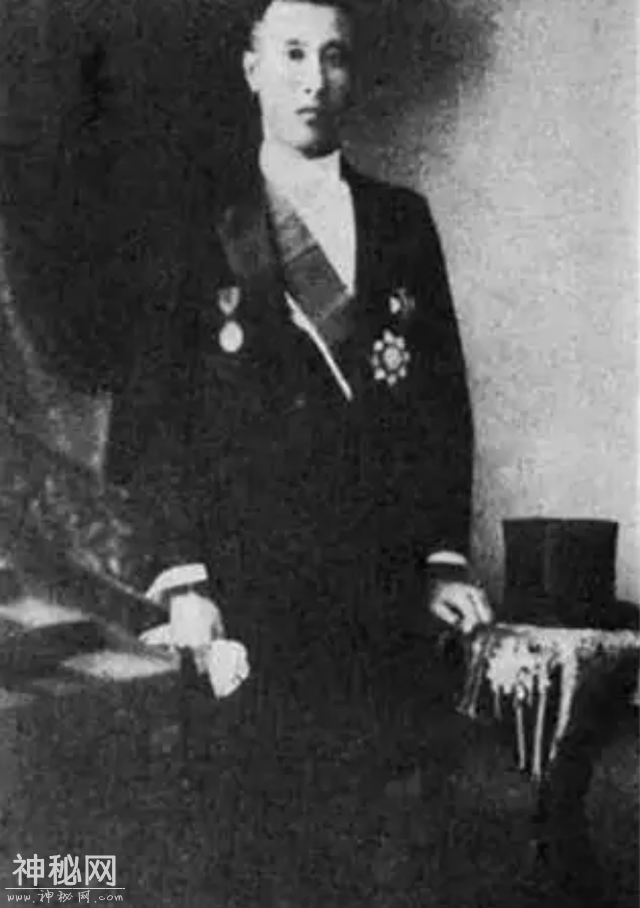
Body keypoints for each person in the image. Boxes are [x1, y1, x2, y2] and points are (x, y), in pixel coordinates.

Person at [142, 0, 493, 889]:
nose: (313, 78)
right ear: (251, 68)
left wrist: (443, 559)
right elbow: (161, 409)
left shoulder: (402, 221)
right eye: (292, 53)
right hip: (245, 589)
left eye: (333, 57)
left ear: (352, 75)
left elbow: (440, 403)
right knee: (247, 850)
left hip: (373, 592)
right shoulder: (201, 221)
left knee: (358, 849)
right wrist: (184, 578)